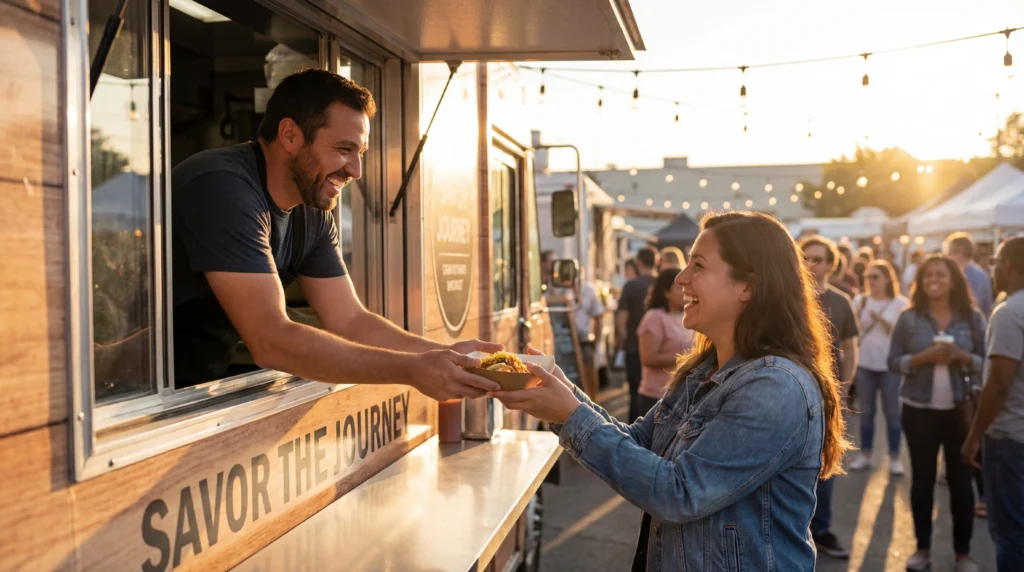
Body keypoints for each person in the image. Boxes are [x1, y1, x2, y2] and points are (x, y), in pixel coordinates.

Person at [491, 211, 850, 570]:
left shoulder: (775, 386)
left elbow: (678, 493)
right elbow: (641, 443)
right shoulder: (704, 370)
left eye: (699, 265)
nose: (680, 277)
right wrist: (560, 390)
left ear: (748, 287)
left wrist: (570, 414)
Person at [171, 69, 501, 398]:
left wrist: (447, 356)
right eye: (344, 150)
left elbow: (351, 321)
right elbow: (271, 341)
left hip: (192, 389)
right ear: (289, 136)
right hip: (133, 394)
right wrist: (411, 370)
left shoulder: (311, 208)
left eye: (360, 153)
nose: (355, 171)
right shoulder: (221, 187)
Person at [888, 254, 986, 572]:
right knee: (922, 481)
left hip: (961, 410)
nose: (934, 280)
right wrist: (920, 358)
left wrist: (962, 356)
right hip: (919, 410)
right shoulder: (909, 318)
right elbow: (893, 362)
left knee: (961, 481)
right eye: (928, 274)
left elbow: (988, 363)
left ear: (954, 280)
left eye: (941, 275)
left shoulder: (972, 318)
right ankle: (922, 550)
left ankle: (962, 554)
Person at [962, 236, 1024, 572]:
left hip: (1009, 438)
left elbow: (999, 384)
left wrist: (973, 437)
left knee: (1011, 534)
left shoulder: (1009, 312)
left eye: (998, 261)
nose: (993, 267)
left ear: (1011, 267)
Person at [800, 235, 859, 559]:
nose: (811, 264)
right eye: (806, 257)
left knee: (827, 461)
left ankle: (821, 529)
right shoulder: (789, 297)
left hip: (830, 397)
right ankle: (799, 529)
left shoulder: (841, 301)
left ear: (831, 264)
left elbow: (851, 346)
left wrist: (846, 386)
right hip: (792, 392)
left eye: (818, 259)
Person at [848, 260, 910, 474]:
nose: (871, 281)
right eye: (868, 277)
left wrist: (882, 320)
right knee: (866, 412)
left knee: (892, 412)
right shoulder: (860, 300)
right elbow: (852, 331)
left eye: (875, 277)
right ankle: (865, 455)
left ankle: (894, 457)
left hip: (889, 366)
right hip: (865, 363)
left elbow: (903, 335)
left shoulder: (900, 303)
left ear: (887, 279)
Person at [635, 267, 693, 416]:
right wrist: (690, 357)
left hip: (681, 396)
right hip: (657, 396)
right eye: (678, 287)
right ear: (666, 292)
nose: (684, 291)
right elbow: (648, 358)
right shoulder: (654, 317)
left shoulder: (687, 316)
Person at [616, 246, 659, 420]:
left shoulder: (631, 285)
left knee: (635, 392)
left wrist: (621, 340)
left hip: (635, 347)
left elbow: (621, 319)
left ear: (639, 263)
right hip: (659, 347)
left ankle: (634, 434)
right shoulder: (661, 284)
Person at [945, 232, 994, 317]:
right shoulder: (980, 273)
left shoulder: (975, 275)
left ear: (961, 252)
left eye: (950, 253)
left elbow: (973, 305)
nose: (948, 257)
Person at [575, 266, 606, 393]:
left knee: (589, 376)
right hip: (563, 340)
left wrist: (596, 341)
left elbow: (598, 316)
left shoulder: (588, 290)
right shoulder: (558, 290)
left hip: (584, 340)